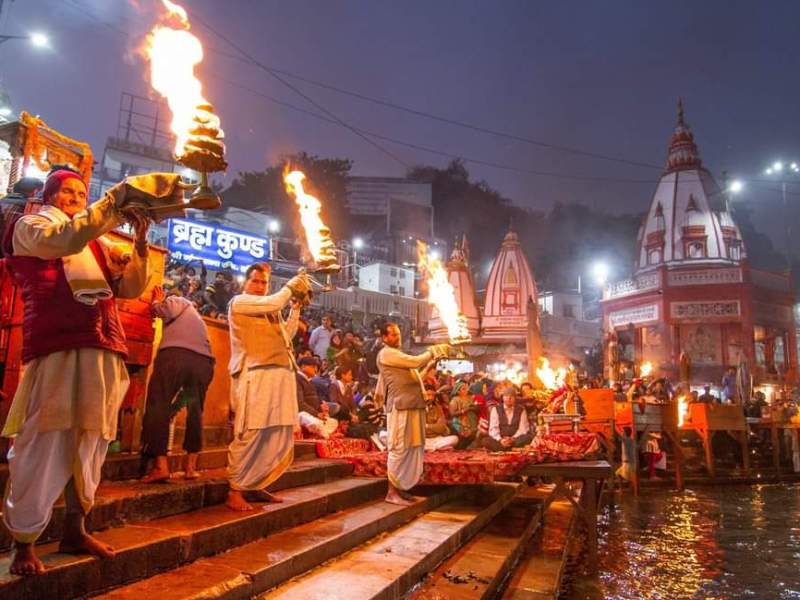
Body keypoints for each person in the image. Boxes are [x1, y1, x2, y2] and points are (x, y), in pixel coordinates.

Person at [1, 168, 151, 575]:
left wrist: (139, 243)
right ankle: (24, 543)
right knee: (43, 442)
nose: (74, 197)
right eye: (66, 190)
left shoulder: (96, 241)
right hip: (55, 347)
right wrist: (113, 205)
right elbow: (61, 240)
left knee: (91, 442)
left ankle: (74, 528)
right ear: (50, 195)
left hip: (103, 346)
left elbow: (132, 288)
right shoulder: (30, 226)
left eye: (81, 193)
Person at [225, 262, 311, 511]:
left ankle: (256, 482)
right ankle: (234, 490)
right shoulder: (239, 302)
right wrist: (290, 286)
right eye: (255, 281)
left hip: (278, 377)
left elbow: (287, 335)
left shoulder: (269, 309)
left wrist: (295, 308)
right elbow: (274, 302)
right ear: (245, 282)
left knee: (274, 433)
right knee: (251, 433)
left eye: (264, 282)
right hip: (255, 376)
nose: (260, 286)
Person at [140, 285, 215, 482]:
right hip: (203, 362)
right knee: (195, 409)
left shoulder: (180, 301)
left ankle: (161, 467)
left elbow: (168, 309)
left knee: (157, 405)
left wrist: (157, 302)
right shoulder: (197, 319)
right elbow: (186, 395)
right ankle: (190, 468)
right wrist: (175, 408)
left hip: (175, 357)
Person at [376, 322, 449, 505]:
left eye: (398, 333)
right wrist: (432, 350)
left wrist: (432, 361)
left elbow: (417, 378)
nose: (397, 337)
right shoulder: (386, 353)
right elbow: (415, 362)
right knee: (399, 448)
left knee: (412, 448)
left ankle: (403, 490)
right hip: (401, 408)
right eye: (392, 334)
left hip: (413, 407)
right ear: (384, 338)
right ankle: (391, 493)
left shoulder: (398, 355)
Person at [296, 356, 338, 439]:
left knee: (334, 422)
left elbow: (314, 398)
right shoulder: (297, 379)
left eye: (316, 367)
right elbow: (300, 403)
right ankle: (325, 434)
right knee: (314, 423)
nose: (315, 370)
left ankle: (322, 432)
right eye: (312, 367)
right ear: (303, 366)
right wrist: (316, 414)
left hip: (314, 413)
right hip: (301, 413)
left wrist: (321, 406)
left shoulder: (309, 381)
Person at [424, 384, 458, 451]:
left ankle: (432, 448)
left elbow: (442, 427)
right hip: (423, 439)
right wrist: (434, 427)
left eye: (433, 395)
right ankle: (438, 448)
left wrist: (427, 426)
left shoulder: (437, 407)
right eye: (428, 395)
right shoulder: (418, 409)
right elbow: (419, 428)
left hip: (437, 438)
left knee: (455, 439)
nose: (430, 397)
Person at [449, 381, 479, 449]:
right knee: (464, 436)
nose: (466, 390)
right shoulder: (455, 400)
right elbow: (452, 413)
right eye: (463, 389)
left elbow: (476, 407)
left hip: (472, 421)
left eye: (466, 388)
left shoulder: (470, 397)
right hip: (460, 422)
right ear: (458, 391)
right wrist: (464, 410)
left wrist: (474, 408)